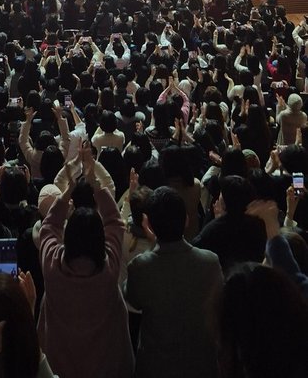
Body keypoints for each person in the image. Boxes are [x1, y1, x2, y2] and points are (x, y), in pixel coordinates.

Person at [39, 142, 133, 378]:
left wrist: (68, 189)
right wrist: (95, 184)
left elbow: (49, 227)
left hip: (58, 365)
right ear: (99, 239)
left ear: (67, 238)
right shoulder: (108, 268)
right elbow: (114, 221)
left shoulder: (52, 265)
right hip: (104, 366)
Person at [125, 186, 223, 378]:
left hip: (156, 367)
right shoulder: (210, 262)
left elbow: (132, 299)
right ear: (186, 220)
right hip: (202, 366)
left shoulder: (141, 266)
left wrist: (154, 244)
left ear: (149, 225)